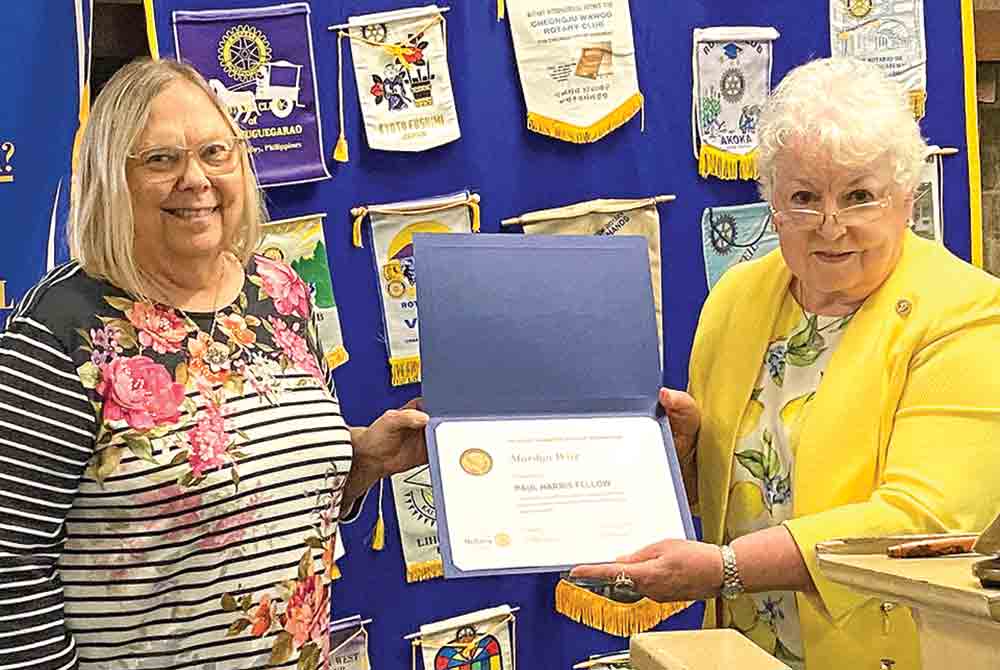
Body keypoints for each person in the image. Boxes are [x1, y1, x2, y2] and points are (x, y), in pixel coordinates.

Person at [0, 58, 428, 669]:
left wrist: (361, 461)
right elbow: (8, 566)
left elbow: (269, 492)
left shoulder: (280, 292)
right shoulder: (60, 330)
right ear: (108, 179)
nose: (195, 178)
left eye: (214, 152)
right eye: (160, 159)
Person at [572, 57, 1000, 669]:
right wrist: (686, 457)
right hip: (737, 651)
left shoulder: (971, 316)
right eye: (804, 197)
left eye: (859, 197)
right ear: (771, 204)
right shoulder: (737, 298)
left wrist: (724, 570)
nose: (831, 227)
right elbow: (734, 497)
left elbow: (918, 525)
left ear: (906, 200)